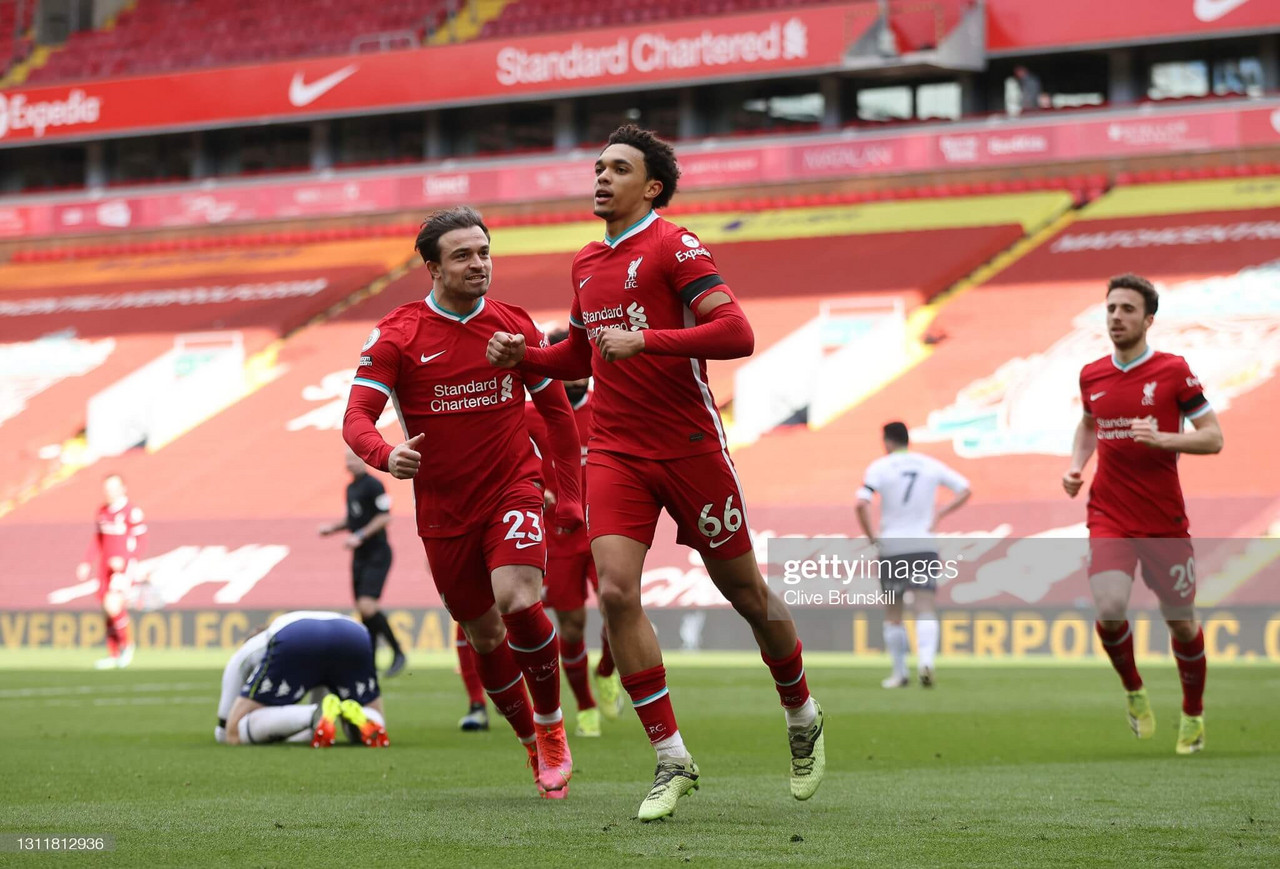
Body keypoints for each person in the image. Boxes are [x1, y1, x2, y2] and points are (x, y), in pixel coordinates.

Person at [487, 125, 825, 821]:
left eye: (618, 168)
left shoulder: (676, 245)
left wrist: (649, 341)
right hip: (614, 450)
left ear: (653, 188)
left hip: (691, 447)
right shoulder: (584, 261)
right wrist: (522, 355)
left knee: (748, 595)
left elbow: (737, 333)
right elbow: (580, 357)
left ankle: (801, 708)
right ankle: (671, 755)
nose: (601, 177)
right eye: (598, 167)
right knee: (614, 591)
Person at [343, 206, 585, 799]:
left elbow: (556, 412)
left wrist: (572, 498)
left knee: (518, 599)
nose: (479, 264)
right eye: (463, 256)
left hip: (513, 486)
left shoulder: (512, 324)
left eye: (484, 252)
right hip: (445, 511)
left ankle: (553, 728)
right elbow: (356, 417)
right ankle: (530, 741)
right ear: (432, 268)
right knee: (481, 635)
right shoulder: (398, 334)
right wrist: (385, 454)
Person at [1063, 273, 1223, 755]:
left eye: (1127, 309)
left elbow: (1213, 436)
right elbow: (1088, 424)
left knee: (1181, 621)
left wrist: (1166, 439)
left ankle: (1192, 714)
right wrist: (1076, 466)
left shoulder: (1173, 371)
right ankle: (1134, 690)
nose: (1116, 316)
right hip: (1108, 512)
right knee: (1109, 609)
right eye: (1111, 308)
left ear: (1148, 319)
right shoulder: (1092, 374)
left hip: (1163, 520)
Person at [522, 336, 623, 737]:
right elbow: (511, 455)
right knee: (572, 626)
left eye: (583, 368)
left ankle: (607, 669)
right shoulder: (531, 414)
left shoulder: (608, 406)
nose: (578, 376)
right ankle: (584, 707)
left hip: (607, 527)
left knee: (620, 608)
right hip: (560, 534)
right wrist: (535, 490)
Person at [855, 422, 971, 689]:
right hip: (923, 544)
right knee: (925, 607)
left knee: (894, 612)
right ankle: (926, 662)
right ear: (908, 440)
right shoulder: (929, 464)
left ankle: (899, 673)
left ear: (887, 441)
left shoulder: (880, 467)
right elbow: (965, 488)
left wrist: (872, 536)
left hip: (892, 545)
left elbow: (861, 503)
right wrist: (939, 514)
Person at [216, 610, 388, 747]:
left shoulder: (253, 647)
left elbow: (227, 730)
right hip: (355, 633)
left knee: (236, 730)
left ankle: (312, 716)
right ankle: (356, 714)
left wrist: (225, 728)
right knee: (370, 715)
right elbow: (323, 691)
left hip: (296, 636)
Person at [319, 449, 407, 677]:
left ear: (363, 461)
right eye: (347, 460)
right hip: (360, 555)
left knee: (368, 606)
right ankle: (370, 660)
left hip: (377, 552)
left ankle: (398, 652)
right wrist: (334, 528)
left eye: (354, 460)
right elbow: (353, 519)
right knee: (363, 611)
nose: (350, 464)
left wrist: (360, 536)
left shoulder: (374, 485)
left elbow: (385, 516)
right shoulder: (350, 488)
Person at [77, 473, 146, 670]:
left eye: (114, 488)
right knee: (106, 610)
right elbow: (98, 540)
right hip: (104, 567)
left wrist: (124, 561)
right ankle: (113, 653)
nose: (109, 492)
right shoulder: (102, 512)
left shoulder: (131, 512)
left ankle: (127, 647)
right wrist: (86, 562)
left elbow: (141, 541)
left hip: (123, 568)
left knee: (113, 605)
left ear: (123, 488)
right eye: (107, 488)